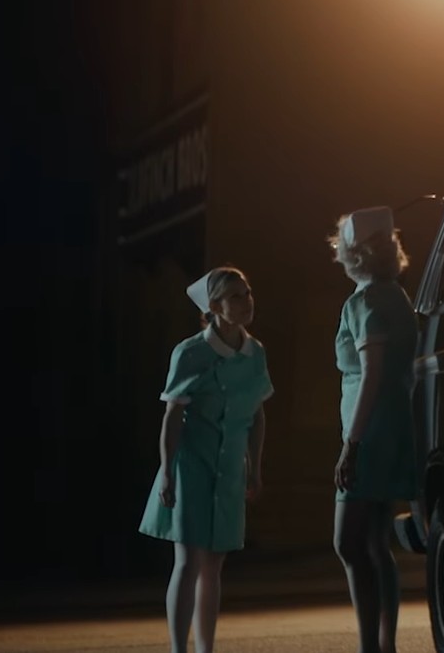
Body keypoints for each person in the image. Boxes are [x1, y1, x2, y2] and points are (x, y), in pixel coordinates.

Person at [138, 266, 273, 653]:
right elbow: (173, 416)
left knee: (214, 566)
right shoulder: (190, 352)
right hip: (192, 466)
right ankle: (179, 648)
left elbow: (257, 415)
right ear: (214, 307)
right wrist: (167, 472)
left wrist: (255, 468)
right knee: (187, 561)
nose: (246, 302)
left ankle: (205, 649)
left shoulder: (255, 353)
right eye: (235, 296)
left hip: (229, 469)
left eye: (247, 293)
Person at [327, 206, 422, 653]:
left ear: (354, 254)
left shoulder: (363, 302)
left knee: (347, 543)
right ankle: (385, 644)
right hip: (394, 425)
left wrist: (352, 444)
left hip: (369, 432)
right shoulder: (397, 296)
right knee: (375, 544)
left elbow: (371, 373)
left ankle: (371, 646)